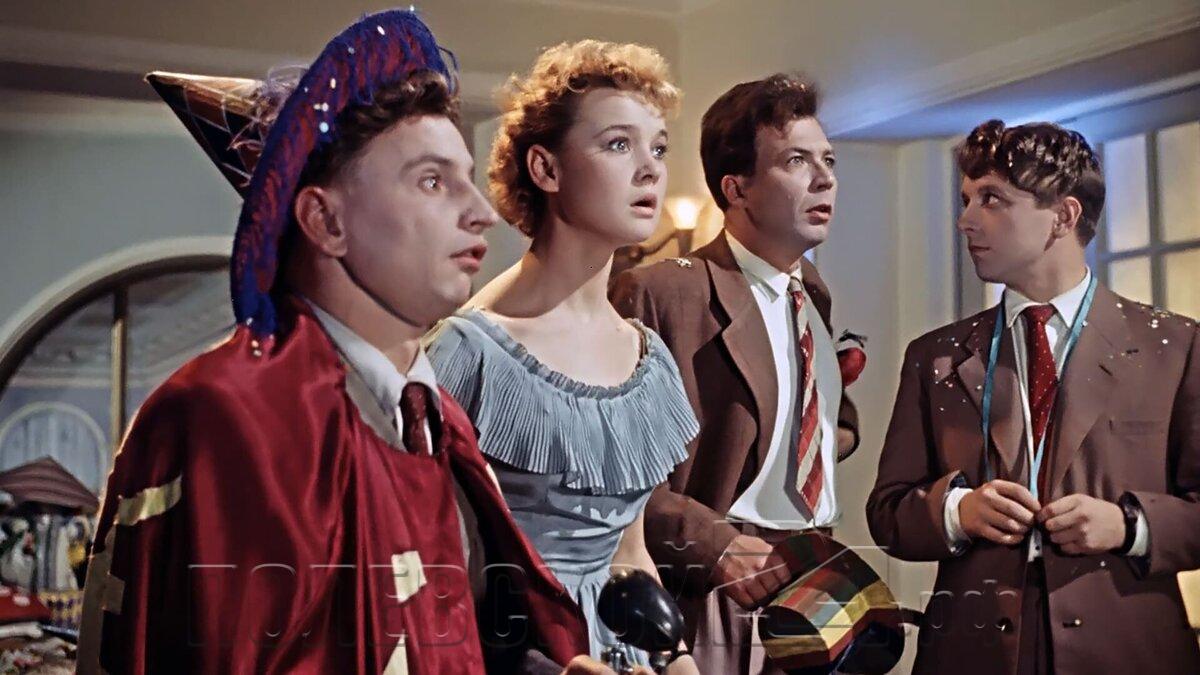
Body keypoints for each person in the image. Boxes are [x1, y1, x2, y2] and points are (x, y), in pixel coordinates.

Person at [75, 10, 600, 674]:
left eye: (467, 179)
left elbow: (458, 640)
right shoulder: (231, 414)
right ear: (326, 221)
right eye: (432, 181)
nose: (481, 212)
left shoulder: (443, 426)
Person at [866, 119, 1200, 674]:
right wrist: (957, 511)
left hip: (1128, 651)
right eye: (967, 199)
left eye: (992, 199)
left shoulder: (1177, 347)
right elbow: (887, 513)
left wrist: (1130, 526)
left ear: (1063, 216)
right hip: (971, 655)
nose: (965, 219)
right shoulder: (935, 356)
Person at [426, 40, 699, 674]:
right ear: (546, 169)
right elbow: (437, 569)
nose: (651, 171)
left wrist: (678, 658)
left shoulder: (646, 358)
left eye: (658, 148)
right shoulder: (468, 353)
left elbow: (628, 553)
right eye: (618, 144)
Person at [609, 73, 861, 674]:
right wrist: (712, 543)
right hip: (714, 588)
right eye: (796, 161)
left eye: (828, 160)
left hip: (815, 575)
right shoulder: (663, 291)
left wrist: (826, 436)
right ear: (736, 187)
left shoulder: (813, 292)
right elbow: (609, 477)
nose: (824, 178)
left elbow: (819, 422)